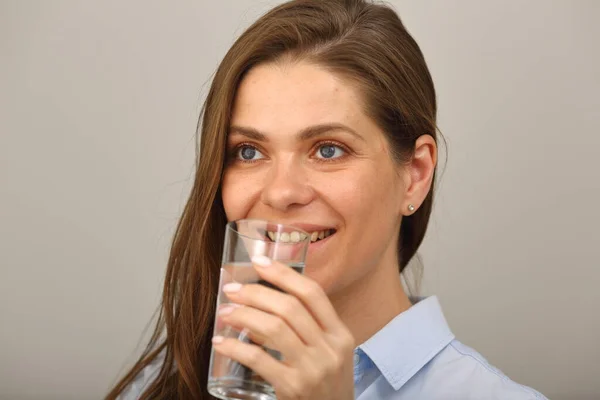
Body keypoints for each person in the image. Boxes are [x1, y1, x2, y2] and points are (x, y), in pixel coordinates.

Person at [107, 1, 548, 399]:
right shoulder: (160, 387)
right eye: (248, 152)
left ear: (414, 175)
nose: (280, 192)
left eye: (328, 149)